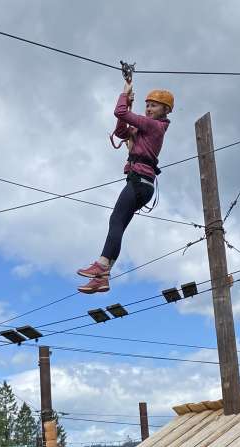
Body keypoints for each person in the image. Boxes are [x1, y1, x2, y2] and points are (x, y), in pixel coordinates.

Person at [77, 81, 173, 294]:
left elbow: (119, 111)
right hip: (141, 183)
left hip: (140, 181)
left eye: (154, 106)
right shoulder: (145, 127)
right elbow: (121, 131)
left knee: (116, 221)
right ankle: (102, 278)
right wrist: (128, 105)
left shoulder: (154, 126)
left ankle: (102, 264)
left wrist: (124, 96)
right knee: (118, 224)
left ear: (165, 111)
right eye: (147, 105)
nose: (148, 108)